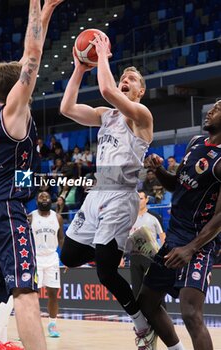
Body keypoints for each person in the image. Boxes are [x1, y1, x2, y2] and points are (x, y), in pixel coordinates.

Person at [0, 1, 64, 350]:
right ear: (17, 88)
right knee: (26, 294)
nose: (30, 77)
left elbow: (27, 55)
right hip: (7, 211)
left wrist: (47, 13)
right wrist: (35, 3)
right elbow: (32, 53)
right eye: (26, 78)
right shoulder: (15, 110)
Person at [60, 31, 156, 349]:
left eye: (131, 79)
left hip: (121, 194)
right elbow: (67, 108)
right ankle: (123, 248)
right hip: (99, 192)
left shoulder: (141, 117)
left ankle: (142, 326)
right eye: (123, 76)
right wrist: (79, 67)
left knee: (105, 273)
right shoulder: (106, 116)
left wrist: (100, 54)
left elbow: (106, 88)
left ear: (140, 91)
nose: (125, 80)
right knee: (70, 256)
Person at [138, 100, 221, 350]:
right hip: (174, 238)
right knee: (147, 302)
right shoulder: (195, 142)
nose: (211, 111)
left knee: (191, 314)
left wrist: (190, 249)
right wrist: (159, 170)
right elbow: (177, 185)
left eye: (218, 108)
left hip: (199, 243)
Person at [29, 191, 64, 337]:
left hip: (51, 259)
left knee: (53, 294)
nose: (44, 198)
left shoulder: (57, 217)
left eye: (47, 197)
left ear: (51, 200)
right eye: (41, 197)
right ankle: (30, 327)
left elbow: (61, 239)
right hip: (35, 259)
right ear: (37, 200)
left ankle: (52, 324)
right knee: (31, 295)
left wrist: (66, 258)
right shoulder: (30, 217)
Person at [126, 191, 165, 299]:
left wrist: (163, 256)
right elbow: (126, 239)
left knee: (154, 287)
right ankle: (139, 314)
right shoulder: (130, 218)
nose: (138, 201)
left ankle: (160, 312)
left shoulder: (155, 217)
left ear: (147, 200)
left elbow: (163, 238)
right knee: (136, 289)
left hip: (150, 257)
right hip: (134, 256)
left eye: (141, 198)